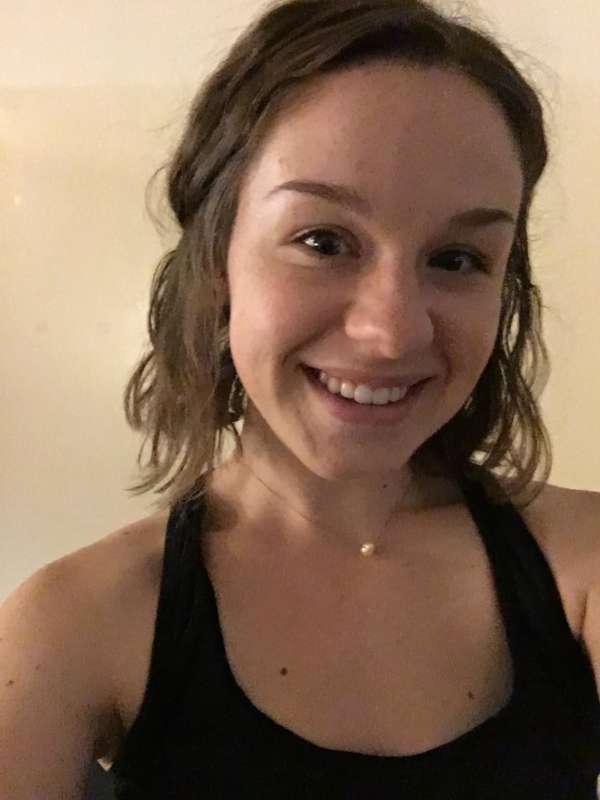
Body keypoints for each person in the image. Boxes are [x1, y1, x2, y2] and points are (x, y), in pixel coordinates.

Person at [2, 0, 600, 797]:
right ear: (217, 260)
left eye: (457, 258)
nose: (391, 332)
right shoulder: (74, 625)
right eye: (323, 241)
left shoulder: (582, 567)